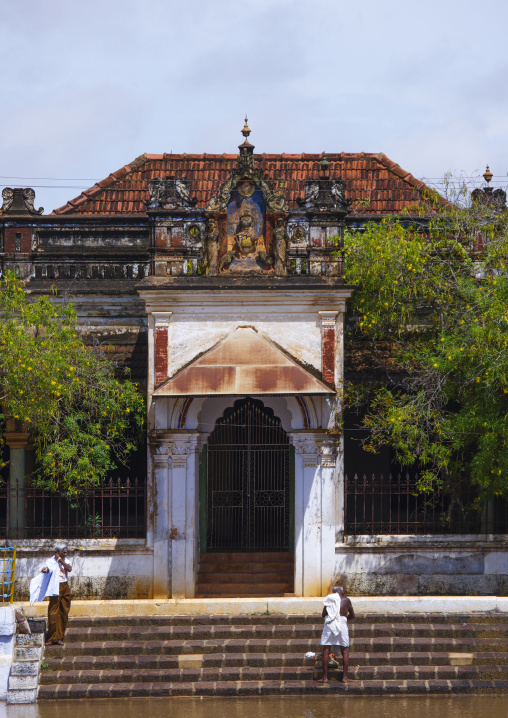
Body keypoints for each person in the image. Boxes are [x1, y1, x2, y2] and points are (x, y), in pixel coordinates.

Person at [30, 543, 72, 646]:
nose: (66, 554)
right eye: (64, 552)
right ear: (58, 552)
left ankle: (60, 638)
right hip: (55, 587)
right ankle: (52, 638)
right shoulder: (50, 561)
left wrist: (60, 560)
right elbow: (47, 568)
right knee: (53, 613)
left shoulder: (66, 560)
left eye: (66, 552)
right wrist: (46, 570)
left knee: (64, 612)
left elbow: (69, 569)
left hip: (65, 586)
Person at [318, 585, 355, 684]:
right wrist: (344, 619)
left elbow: (323, 614)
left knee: (326, 651)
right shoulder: (347, 600)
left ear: (333, 592)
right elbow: (353, 615)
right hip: (342, 625)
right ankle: (344, 678)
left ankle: (325, 678)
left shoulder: (330, 599)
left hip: (330, 625)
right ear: (342, 592)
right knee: (345, 651)